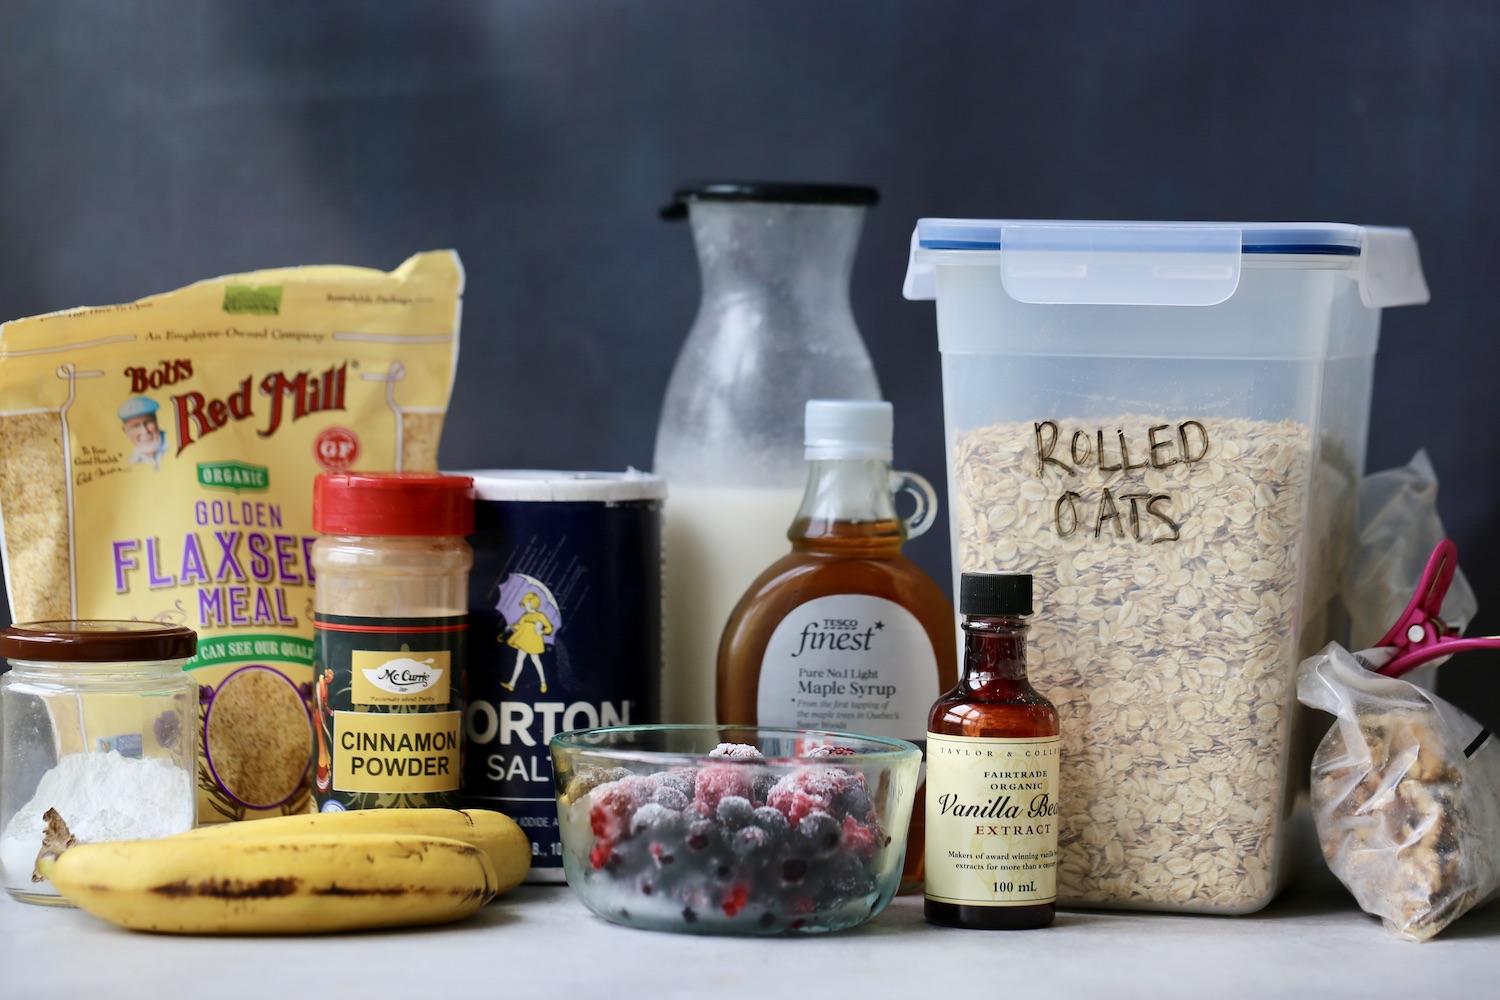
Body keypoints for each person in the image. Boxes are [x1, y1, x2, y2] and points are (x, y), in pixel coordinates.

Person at [501, 591, 554, 694]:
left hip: (534, 641)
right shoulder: (525, 615)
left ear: (533, 603)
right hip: (524, 641)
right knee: (519, 660)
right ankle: (512, 684)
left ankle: (543, 682)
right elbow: (520, 627)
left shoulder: (540, 615)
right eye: (525, 604)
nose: (526, 606)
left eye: (528, 604)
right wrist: (510, 627)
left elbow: (549, 628)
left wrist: (541, 631)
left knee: (536, 661)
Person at [118, 396, 168, 470]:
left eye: (148, 422)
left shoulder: (174, 444)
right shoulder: (131, 462)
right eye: (136, 426)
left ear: (156, 421)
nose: (144, 431)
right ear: (126, 431)